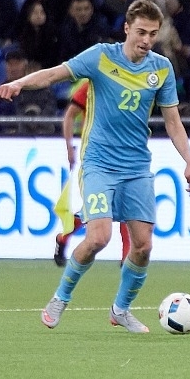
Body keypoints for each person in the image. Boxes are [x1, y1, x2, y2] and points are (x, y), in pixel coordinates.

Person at [0, 0, 190, 333]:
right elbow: (54, 74)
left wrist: (189, 161)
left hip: (137, 167)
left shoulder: (161, 68)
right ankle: (60, 298)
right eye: (141, 32)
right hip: (99, 163)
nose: (146, 39)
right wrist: (20, 83)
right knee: (99, 237)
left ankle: (121, 310)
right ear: (127, 29)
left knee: (143, 246)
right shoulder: (101, 57)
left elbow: (173, 122)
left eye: (152, 33)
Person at [55, 80, 130, 267]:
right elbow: (70, 115)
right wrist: (69, 148)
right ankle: (63, 238)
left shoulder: (130, 84)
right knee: (94, 210)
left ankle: (126, 259)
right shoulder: (92, 86)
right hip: (96, 158)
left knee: (126, 206)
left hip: (122, 156)